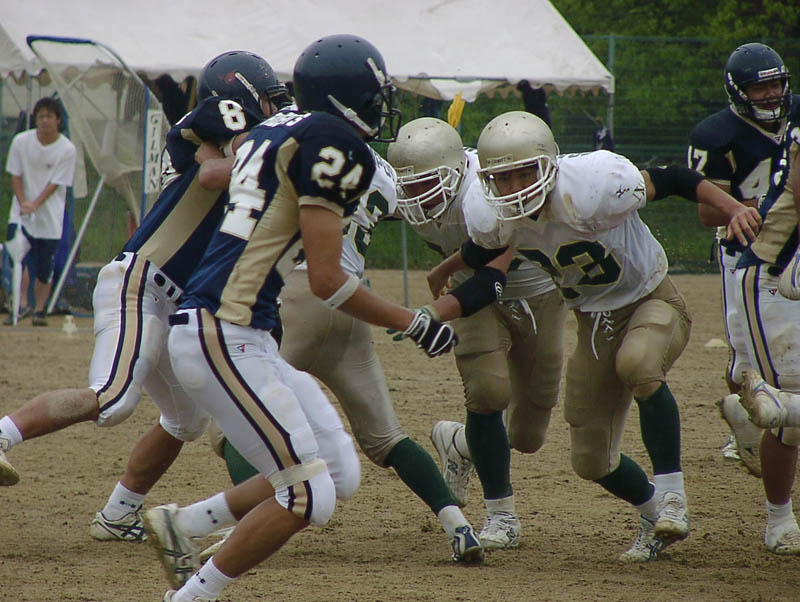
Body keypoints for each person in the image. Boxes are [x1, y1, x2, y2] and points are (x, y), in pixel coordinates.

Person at [142, 34, 512, 602]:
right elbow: (327, 281)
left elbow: (201, 154)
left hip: (245, 329)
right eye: (375, 95)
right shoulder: (333, 144)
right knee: (307, 494)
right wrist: (413, 321)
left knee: (340, 471)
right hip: (223, 330)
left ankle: (185, 522)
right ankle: (191, 596)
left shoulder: (272, 129)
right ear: (348, 98)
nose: (381, 106)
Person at [428, 110, 761, 562]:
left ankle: (673, 495)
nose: (514, 187)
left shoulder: (594, 184)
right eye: (502, 178)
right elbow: (485, 251)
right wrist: (446, 270)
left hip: (650, 297)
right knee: (591, 460)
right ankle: (654, 518)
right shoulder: (489, 213)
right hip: (592, 319)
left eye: (525, 172)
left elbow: (676, 178)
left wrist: (734, 208)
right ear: (486, 179)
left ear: (548, 164)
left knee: (638, 363)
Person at [0, 50, 287, 536]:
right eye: (268, 99)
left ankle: (118, 514)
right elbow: (215, 160)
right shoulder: (221, 124)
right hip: (142, 283)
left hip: (174, 301)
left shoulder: (239, 153)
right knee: (112, 398)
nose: (276, 109)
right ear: (239, 94)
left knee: (186, 420)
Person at [197, 142, 486, 564]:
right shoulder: (380, 166)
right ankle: (457, 525)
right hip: (350, 301)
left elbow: (221, 177)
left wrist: (211, 149)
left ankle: (247, 528)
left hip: (298, 293)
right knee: (387, 437)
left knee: (233, 420)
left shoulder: (309, 141)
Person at [386, 116, 565, 551]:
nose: (417, 195)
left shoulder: (485, 192)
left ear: (458, 171)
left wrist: (432, 309)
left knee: (527, 436)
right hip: (470, 296)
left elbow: (492, 277)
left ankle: (460, 442)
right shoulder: (403, 193)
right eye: (409, 185)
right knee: (487, 392)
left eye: (427, 183)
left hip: (535, 290)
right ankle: (501, 514)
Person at [688, 42, 800, 475]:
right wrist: (765, 207)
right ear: (738, 92)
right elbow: (706, 213)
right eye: (759, 88)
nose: (771, 95)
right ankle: (746, 421)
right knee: (744, 356)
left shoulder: (797, 113)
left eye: (775, 85)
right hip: (745, 252)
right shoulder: (715, 134)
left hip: (794, 244)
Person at [733, 111, 800, 555]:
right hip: (777, 272)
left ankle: (751, 405)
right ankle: (779, 518)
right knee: (789, 416)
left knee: (790, 408)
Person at [3, 96, 76, 326]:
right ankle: (20, 305)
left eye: (49, 116)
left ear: (58, 120)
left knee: (45, 268)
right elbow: (16, 175)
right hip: (21, 213)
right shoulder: (21, 142)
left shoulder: (67, 149)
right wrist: (23, 202)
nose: (44, 121)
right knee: (19, 259)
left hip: (50, 218)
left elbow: (56, 183)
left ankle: (39, 310)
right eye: (41, 116)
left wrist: (35, 204)